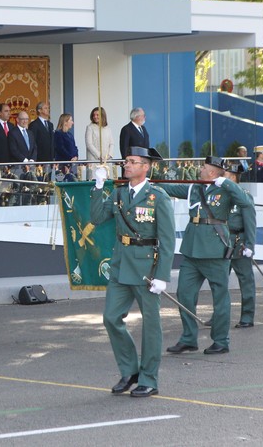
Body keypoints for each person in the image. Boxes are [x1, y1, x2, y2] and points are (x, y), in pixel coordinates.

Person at [91, 147, 174, 398]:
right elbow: (96, 218)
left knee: (151, 325)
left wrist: (162, 276)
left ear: (145, 167)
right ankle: (129, 371)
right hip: (121, 265)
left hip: (147, 268)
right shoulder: (118, 193)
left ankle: (149, 378)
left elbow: (167, 239)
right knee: (111, 318)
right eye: (125, 161)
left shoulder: (157, 197)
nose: (126, 165)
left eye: (132, 161)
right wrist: (98, 186)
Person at [159, 157, 256, 355]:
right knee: (184, 294)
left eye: (203, 167)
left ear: (212, 172)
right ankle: (188, 338)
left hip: (215, 251)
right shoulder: (195, 187)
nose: (200, 169)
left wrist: (226, 182)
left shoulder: (226, 189)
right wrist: (146, 181)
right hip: (192, 251)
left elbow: (246, 203)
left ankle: (220, 340)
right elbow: (169, 188)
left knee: (220, 297)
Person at [224, 163, 257, 329]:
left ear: (233, 177)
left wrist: (250, 245)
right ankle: (219, 315)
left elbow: (250, 222)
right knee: (220, 281)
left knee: (246, 280)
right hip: (222, 241)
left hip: (239, 242)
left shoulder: (244, 196)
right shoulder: (221, 196)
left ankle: (247, 316)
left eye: (225, 174)